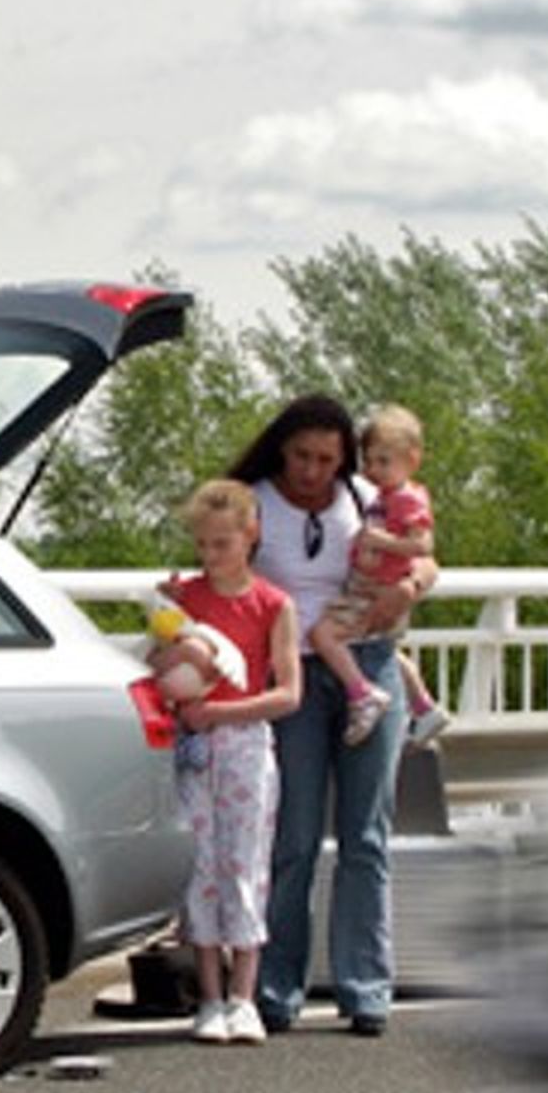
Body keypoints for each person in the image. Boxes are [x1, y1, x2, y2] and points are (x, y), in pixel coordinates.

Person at [229, 394, 438, 1037]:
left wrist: (411, 585)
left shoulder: (368, 498)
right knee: (291, 839)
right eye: (301, 457)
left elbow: (425, 556)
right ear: (281, 451)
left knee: (365, 836)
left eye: (326, 458)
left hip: (367, 661)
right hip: (292, 672)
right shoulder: (255, 501)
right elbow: (220, 575)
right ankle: (276, 986)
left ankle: (365, 985)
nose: (313, 471)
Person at [158, 479, 300, 1045]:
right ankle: (210, 996)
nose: (211, 556)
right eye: (204, 545)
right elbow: (158, 663)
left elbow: (289, 693)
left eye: (222, 543)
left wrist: (219, 711)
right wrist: (169, 624)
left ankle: (244, 994)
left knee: (244, 863)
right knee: (200, 863)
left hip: (242, 742)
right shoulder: (186, 598)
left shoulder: (272, 604)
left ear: (250, 536)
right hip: (196, 747)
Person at [303, 404, 449, 748]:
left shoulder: (405, 499)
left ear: (411, 460)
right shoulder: (381, 496)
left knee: (325, 635)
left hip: (374, 591)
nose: (374, 470)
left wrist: (383, 546)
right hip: (368, 586)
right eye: (369, 461)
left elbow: (423, 545)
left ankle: (363, 693)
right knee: (386, 647)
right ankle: (424, 706)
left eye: (384, 461)